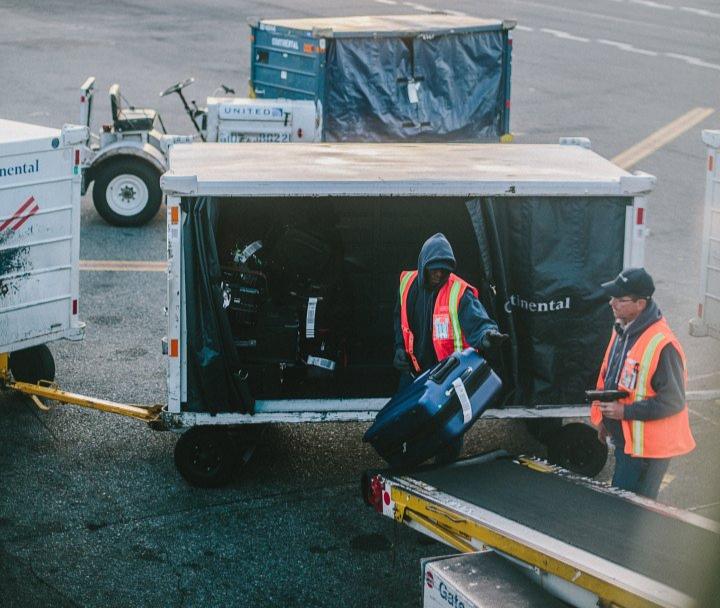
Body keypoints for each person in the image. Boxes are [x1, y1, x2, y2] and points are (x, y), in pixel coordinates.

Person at [591, 267, 695, 499]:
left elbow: (673, 401)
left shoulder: (663, 345)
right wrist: (606, 420)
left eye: (620, 299)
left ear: (640, 304)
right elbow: (614, 379)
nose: (612, 303)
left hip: (647, 452)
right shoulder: (623, 330)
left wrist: (624, 412)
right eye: (612, 297)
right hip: (628, 444)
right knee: (623, 509)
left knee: (632, 514)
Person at [393, 232, 506, 380]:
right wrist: (400, 347)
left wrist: (487, 335)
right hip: (414, 374)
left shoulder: (459, 292)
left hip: (449, 378)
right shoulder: (407, 284)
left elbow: (477, 320)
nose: (439, 274)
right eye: (434, 269)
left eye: (444, 270)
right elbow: (399, 319)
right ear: (423, 266)